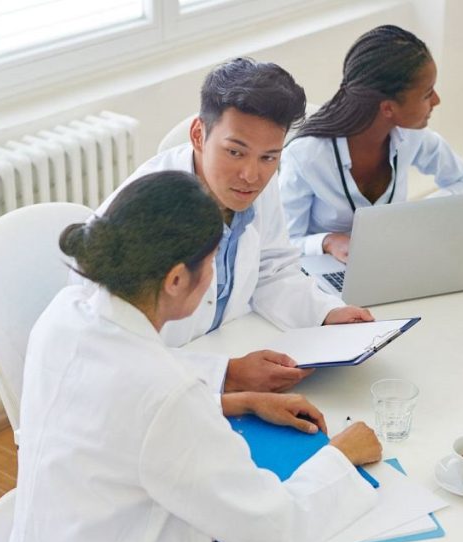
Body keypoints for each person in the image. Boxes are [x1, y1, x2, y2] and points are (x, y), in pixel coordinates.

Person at [7, 171, 383, 542]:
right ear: (175, 280)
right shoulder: (166, 396)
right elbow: (271, 526)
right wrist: (341, 459)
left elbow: (119, 407)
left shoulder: (63, 315)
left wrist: (235, 402)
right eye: (209, 264)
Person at [75, 58, 373, 394]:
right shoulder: (145, 212)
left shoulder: (258, 184)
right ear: (199, 134)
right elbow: (114, 348)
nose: (251, 175)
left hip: (227, 350)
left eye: (269, 157)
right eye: (235, 152)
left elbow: (272, 271)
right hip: (152, 392)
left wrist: (326, 313)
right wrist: (226, 375)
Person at [279, 24, 463, 263]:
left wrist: (420, 213)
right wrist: (327, 242)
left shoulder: (411, 136)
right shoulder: (306, 156)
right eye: (427, 94)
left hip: (391, 262)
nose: (437, 100)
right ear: (388, 108)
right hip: (325, 276)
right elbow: (282, 244)